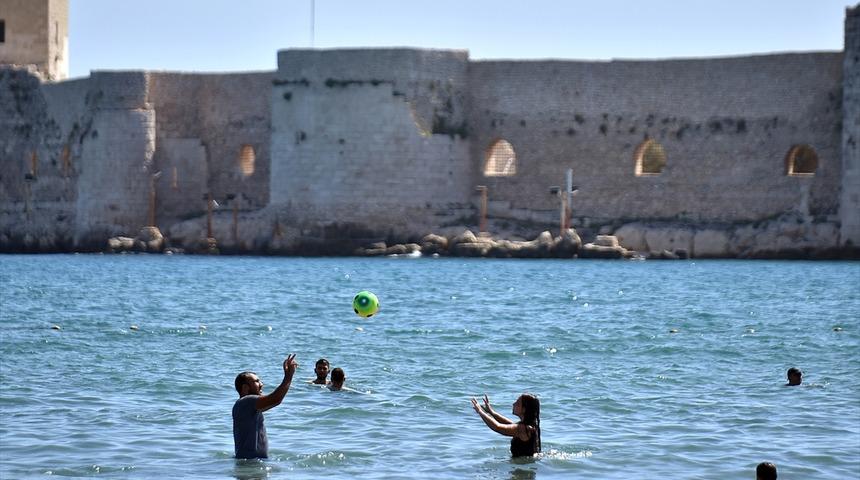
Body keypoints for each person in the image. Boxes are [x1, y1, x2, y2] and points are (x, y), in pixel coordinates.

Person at [232, 353, 298, 459]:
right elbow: (276, 399)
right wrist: (289, 376)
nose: (261, 384)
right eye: (257, 381)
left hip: (251, 463)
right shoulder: (246, 401)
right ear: (245, 388)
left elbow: (273, 401)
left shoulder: (248, 406)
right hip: (250, 464)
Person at [471, 393, 541, 457]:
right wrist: (492, 412)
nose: (513, 404)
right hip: (526, 466)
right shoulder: (530, 425)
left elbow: (497, 427)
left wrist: (480, 411)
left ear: (524, 409)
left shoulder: (522, 429)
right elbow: (510, 425)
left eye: (517, 403)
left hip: (522, 468)